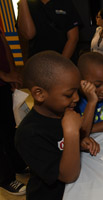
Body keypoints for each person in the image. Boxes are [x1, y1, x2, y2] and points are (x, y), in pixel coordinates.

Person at [15, 51, 100, 200]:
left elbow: (58, 146)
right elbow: (68, 176)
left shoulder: (63, 110)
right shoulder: (29, 134)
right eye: (69, 94)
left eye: (77, 91)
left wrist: (78, 143)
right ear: (39, 94)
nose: (77, 98)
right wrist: (72, 133)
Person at [0, 26, 27, 196]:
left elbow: (3, 42)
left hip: (2, 87)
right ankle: (5, 178)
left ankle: (17, 164)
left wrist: (11, 72)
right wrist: (3, 75)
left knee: (9, 128)